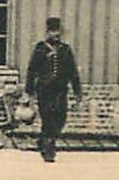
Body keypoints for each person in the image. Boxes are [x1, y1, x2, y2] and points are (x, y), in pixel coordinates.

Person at [25, 16, 83, 163]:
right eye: (52, 31)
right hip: (44, 90)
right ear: (47, 32)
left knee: (61, 119)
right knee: (48, 119)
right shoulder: (40, 48)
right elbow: (32, 71)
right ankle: (49, 150)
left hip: (60, 90)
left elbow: (73, 72)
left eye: (57, 31)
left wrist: (78, 93)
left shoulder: (66, 49)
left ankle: (43, 140)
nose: (55, 34)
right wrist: (29, 92)